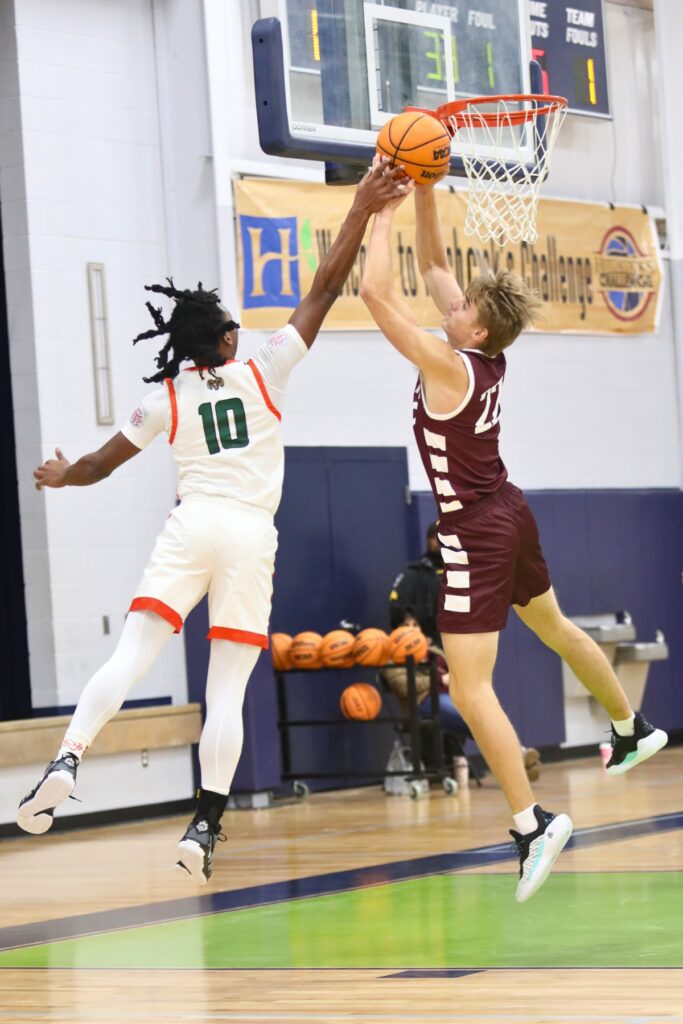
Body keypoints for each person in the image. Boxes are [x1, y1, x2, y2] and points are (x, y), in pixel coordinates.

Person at [16, 162, 408, 883]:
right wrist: (361, 203)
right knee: (226, 690)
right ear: (226, 341)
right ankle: (204, 825)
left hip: (190, 525)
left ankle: (69, 757)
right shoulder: (265, 370)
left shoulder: (164, 396)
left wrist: (62, 475)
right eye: (232, 322)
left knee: (132, 654)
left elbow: (100, 465)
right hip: (250, 535)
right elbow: (325, 284)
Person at [360, 164, 668, 902]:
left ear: (478, 328)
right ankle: (630, 728)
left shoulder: (447, 360)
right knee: (554, 626)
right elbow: (433, 265)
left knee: (468, 689)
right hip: (511, 510)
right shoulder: (483, 355)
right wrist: (425, 190)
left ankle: (532, 823)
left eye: (462, 308)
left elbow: (375, 294)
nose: (451, 305)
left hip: (474, 529)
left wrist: (377, 209)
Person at [387, 522, 541, 782]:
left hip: (454, 660)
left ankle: (513, 758)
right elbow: (403, 683)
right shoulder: (398, 648)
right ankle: (515, 757)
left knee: (480, 706)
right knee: (471, 714)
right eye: (436, 538)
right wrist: (437, 679)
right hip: (427, 696)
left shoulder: (458, 572)